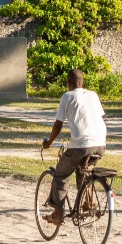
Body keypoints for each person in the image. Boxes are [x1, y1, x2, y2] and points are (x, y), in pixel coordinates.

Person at [41, 68, 106, 224]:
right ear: (83, 82)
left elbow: (58, 125)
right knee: (84, 169)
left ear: (68, 83)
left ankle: (58, 214)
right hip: (100, 145)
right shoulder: (93, 95)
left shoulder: (67, 96)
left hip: (80, 147)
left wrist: (48, 143)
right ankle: (88, 201)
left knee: (60, 175)